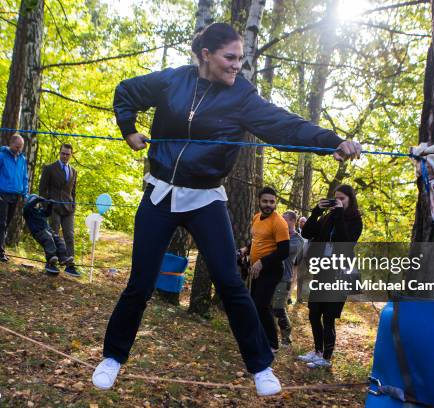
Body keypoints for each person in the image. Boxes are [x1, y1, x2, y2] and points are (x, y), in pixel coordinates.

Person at [91, 22, 361, 396]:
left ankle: (260, 367)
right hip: (160, 195)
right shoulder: (174, 81)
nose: (237, 66)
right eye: (230, 58)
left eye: (241, 59)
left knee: (231, 283)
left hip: (205, 199)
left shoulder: (242, 97)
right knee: (140, 283)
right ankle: (113, 358)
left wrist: (329, 141)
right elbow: (127, 92)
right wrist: (128, 129)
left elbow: (284, 126)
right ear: (206, 55)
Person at [297, 184, 362, 368]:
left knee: (328, 316)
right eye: (336, 198)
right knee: (314, 312)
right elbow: (307, 232)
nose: (338, 202)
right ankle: (317, 351)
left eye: (342, 199)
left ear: (350, 200)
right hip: (322, 271)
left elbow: (345, 242)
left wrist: (339, 215)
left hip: (339, 274)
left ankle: (326, 357)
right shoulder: (327, 219)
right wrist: (317, 211)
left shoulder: (355, 220)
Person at [241, 187, 290, 353]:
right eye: (265, 201)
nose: (268, 204)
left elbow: (284, 251)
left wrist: (262, 262)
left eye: (272, 201)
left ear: (275, 202)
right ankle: (261, 338)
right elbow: (257, 240)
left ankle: (272, 344)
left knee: (262, 306)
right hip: (256, 270)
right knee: (255, 305)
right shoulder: (256, 217)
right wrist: (246, 249)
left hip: (272, 270)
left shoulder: (279, 222)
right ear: (259, 201)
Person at [38, 143, 80, 277]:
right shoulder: (50, 168)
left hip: (68, 208)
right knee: (53, 234)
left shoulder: (73, 171)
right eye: (63, 153)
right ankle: (51, 262)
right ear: (59, 153)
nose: (65, 156)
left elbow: (73, 191)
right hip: (53, 206)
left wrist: (73, 205)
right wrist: (45, 205)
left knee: (69, 235)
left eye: (67, 154)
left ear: (71, 155)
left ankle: (70, 265)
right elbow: (42, 189)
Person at [0, 134, 28, 262]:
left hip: (15, 196)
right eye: (17, 146)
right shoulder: (1, 157)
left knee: (6, 223)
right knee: (2, 222)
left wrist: (25, 194)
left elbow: (24, 178)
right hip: (2, 194)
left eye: (21, 147)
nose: (19, 149)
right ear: (11, 144)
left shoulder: (22, 159)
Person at [272, 210, 304, 346]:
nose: (281, 222)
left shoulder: (298, 240)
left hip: (284, 278)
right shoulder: (278, 235)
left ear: (292, 221)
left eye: (284, 219)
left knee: (278, 308)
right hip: (270, 276)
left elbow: (283, 250)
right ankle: (270, 335)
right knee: (267, 307)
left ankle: (286, 336)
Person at [22, 194, 74, 275]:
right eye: (34, 202)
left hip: (48, 230)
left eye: (37, 203)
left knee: (59, 240)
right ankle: (51, 257)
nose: (36, 205)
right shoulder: (28, 212)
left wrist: (50, 204)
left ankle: (63, 257)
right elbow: (28, 207)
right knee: (48, 239)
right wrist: (37, 199)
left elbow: (47, 213)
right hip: (39, 232)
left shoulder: (40, 211)